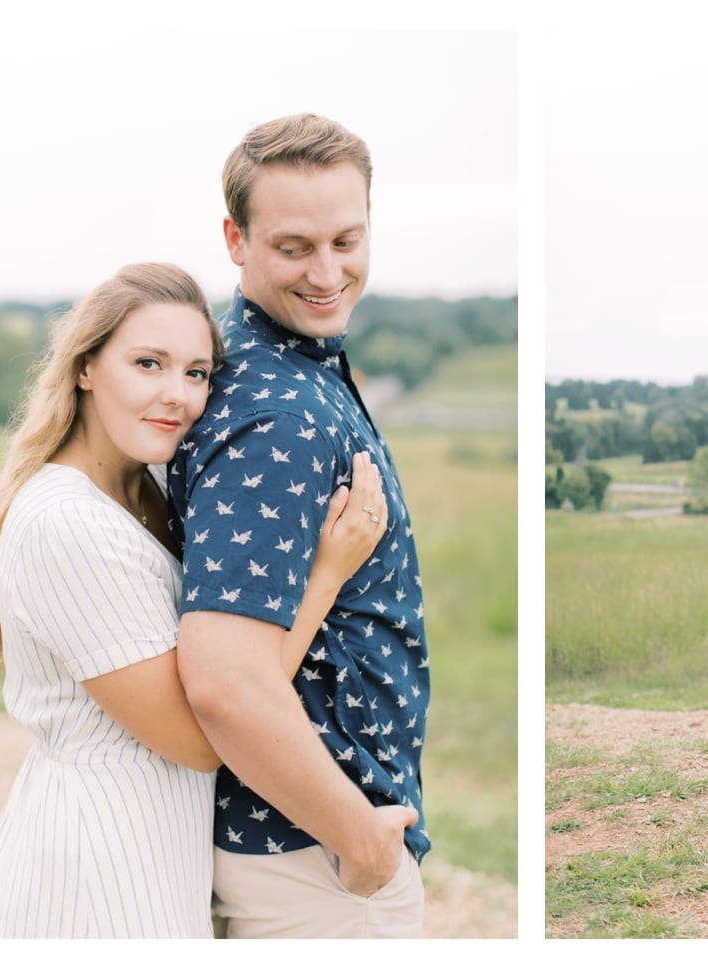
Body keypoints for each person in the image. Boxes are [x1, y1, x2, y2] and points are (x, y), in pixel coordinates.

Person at [0, 262, 387, 937]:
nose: (177, 395)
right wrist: (325, 577)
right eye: (148, 363)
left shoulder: (146, 488)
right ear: (87, 367)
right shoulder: (66, 520)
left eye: (196, 372)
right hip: (91, 881)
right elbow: (197, 736)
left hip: (150, 861)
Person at [169, 113, 431, 939]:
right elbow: (225, 678)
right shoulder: (276, 413)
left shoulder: (290, 365)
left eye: (347, 241)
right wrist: (360, 840)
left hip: (311, 841)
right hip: (312, 853)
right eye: (294, 248)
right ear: (234, 239)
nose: (327, 273)